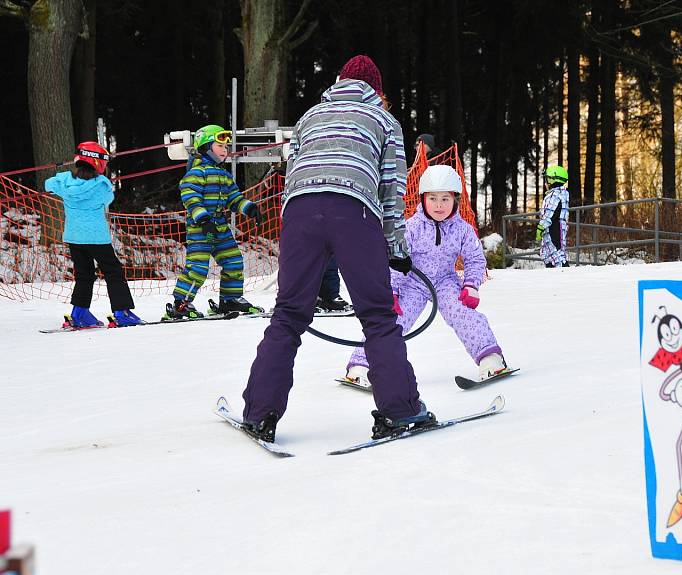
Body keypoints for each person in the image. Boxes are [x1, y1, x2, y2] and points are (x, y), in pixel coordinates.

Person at [242, 54, 435, 442]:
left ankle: (259, 413)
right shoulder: (384, 121)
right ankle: (400, 410)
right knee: (378, 315)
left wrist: (300, 228)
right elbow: (392, 190)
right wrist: (395, 246)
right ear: (377, 92)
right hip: (355, 211)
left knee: (288, 314)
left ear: (337, 82)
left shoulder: (310, 116)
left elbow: (293, 170)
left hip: (299, 211)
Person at [345, 164, 507, 386]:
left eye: (445, 199)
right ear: (422, 199)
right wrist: (391, 291)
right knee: (393, 320)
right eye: (433, 198)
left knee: (464, 314)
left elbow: (475, 259)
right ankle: (361, 365)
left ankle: (490, 358)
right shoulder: (411, 228)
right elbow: (396, 260)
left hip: (445, 282)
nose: (439, 205)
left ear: (455, 200)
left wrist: (471, 285)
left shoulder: (462, 229)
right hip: (413, 283)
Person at [167, 124, 263, 318]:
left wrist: (250, 208)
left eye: (227, 146)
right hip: (201, 229)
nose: (225, 149)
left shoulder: (224, 175)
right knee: (198, 268)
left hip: (220, 229)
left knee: (234, 261)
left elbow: (234, 199)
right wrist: (203, 219)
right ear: (206, 146)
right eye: (220, 145)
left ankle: (230, 299)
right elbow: (190, 197)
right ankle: (181, 303)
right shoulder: (196, 173)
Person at [45, 142, 142, 328]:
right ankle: (122, 313)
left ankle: (79, 313)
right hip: (96, 238)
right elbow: (108, 198)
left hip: (74, 237)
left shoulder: (64, 181)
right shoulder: (101, 185)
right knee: (113, 272)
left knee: (84, 274)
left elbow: (49, 184)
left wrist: (62, 171)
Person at [537, 165, 570, 268]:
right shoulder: (560, 193)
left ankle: (563, 273)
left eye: (547, 179)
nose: (546, 183)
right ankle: (551, 270)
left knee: (556, 251)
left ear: (553, 179)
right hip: (554, 226)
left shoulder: (555, 195)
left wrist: (541, 227)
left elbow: (550, 213)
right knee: (549, 252)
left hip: (553, 227)